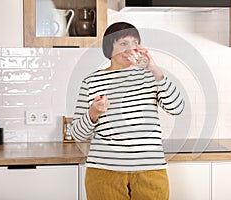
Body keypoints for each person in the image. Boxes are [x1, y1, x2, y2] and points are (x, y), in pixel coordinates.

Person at [71, 22, 185, 200]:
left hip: (150, 169)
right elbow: (77, 134)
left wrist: (155, 69)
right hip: (104, 171)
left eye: (135, 43)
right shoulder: (91, 82)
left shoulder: (150, 76)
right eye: (123, 43)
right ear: (109, 48)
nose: (130, 49)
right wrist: (93, 112)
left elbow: (176, 108)